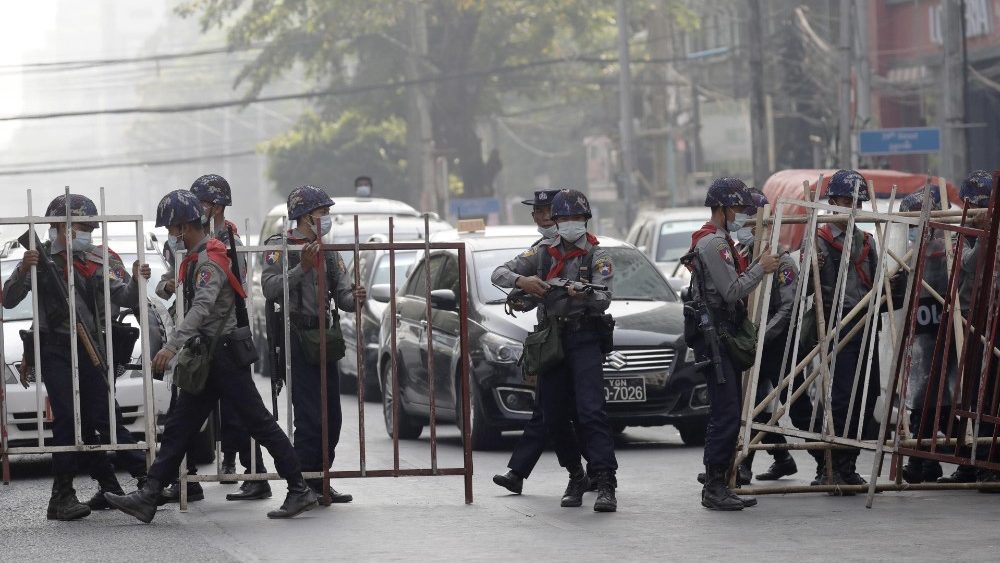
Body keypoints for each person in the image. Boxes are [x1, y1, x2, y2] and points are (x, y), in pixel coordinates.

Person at [105, 190, 317, 522]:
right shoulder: (197, 257)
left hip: (224, 356)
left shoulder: (209, 261)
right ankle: (149, 496)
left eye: (172, 229)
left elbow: (202, 309)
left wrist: (171, 345)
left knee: (259, 423)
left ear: (182, 227)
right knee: (179, 427)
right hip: (209, 357)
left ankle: (299, 488)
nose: (170, 235)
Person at [3, 193, 152, 520]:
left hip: (92, 349)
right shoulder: (38, 260)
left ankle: (143, 483)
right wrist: (22, 271)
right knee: (68, 419)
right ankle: (63, 495)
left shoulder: (98, 259)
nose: (87, 233)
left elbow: (123, 295)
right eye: (81, 227)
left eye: (89, 228)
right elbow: (9, 300)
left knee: (104, 415)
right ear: (59, 226)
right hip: (55, 349)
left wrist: (139, 280)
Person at [491, 188, 618, 512]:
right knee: (555, 415)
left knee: (591, 412)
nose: (570, 223)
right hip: (552, 341)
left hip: (585, 337)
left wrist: (582, 294)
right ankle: (576, 475)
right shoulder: (542, 254)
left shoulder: (596, 254)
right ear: (556, 221)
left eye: (577, 218)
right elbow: (499, 274)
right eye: (565, 218)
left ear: (585, 220)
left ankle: (605, 481)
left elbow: (605, 298)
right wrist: (525, 283)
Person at [261, 185, 366, 504]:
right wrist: (300, 268)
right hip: (295, 336)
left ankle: (322, 478)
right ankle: (303, 483)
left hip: (325, 337)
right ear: (306, 216)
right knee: (308, 417)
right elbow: (269, 288)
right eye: (323, 213)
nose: (327, 218)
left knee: (332, 417)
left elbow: (344, 296)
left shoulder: (329, 250)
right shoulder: (279, 246)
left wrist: (356, 298)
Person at [684, 177, 779, 510]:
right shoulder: (713, 244)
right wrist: (761, 268)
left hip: (724, 333)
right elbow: (732, 291)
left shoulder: (722, 241)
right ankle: (714, 487)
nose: (741, 214)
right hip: (716, 337)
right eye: (737, 208)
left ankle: (720, 482)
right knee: (724, 414)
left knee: (727, 412)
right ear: (721, 209)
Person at [808, 169, 890, 493]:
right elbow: (807, 289)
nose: (854, 205)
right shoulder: (819, 240)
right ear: (833, 202)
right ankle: (829, 463)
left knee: (866, 396)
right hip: (836, 325)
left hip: (865, 325)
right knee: (840, 397)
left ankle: (849, 464)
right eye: (847, 200)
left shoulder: (868, 242)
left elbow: (878, 285)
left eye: (858, 200)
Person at [733, 188, 799, 483]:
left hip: (778, 344)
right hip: (751, 343)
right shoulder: (740, 256)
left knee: (798, 406)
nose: (746, 231)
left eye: (751, 224)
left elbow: (787, 308)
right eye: (743, 224)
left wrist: (761, 336)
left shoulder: (782, 262)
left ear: (767, 224)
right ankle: (752, 461)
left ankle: (827, 463)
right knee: (755, 403)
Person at [938, 170, 1000, 488]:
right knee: (971, 393)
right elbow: (968, 266)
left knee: (993, 394)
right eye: (975, 207)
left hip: (995, 314)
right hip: (968, 320)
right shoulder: (958, 235)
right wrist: (985, 235)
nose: (979, 213)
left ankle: (991, 458)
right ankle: (971, 459)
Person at [896, 186, 950, 484]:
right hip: (923, 332)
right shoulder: (915, 249)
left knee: (945, 401)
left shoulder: (948, 245)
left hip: (945, 331)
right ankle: (924, 463)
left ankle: (970, 460)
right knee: (923, 401)